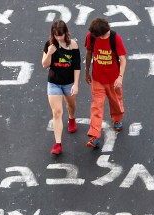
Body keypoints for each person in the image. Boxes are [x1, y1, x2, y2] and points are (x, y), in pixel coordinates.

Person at [83, 17, 127, 149]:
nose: (100, 38)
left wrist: (120, 77)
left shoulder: (115, 38)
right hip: (97, 79)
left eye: (101, 36)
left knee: (116, 102)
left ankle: (117, 119)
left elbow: (123, 59)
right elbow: (88, 53)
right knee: (96, 107)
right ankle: (95, 135)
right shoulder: (91, 36)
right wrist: (87, 71)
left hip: (113, 80)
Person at [41, 19, 81, 155]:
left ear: (66, 33)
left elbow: (76, 67)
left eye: (61, 35)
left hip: (69, 83)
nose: (59, 37)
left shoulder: (73, 45)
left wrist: (76, 84)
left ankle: (72, 118)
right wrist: (50, 53)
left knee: (71, 105)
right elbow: (44, 65)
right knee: (56, 112)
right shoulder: (49, 45)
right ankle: (58, 144)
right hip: (54, 83)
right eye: (56, 35)